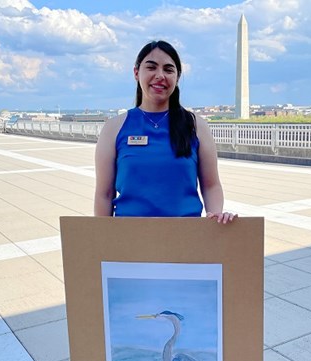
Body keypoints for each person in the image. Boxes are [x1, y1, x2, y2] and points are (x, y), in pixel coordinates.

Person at [94, 40, 235, 224]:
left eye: (168, 70)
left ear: (177, 78)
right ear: (136, 73)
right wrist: (102, 239)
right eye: (151, 67)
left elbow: (211, 185)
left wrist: (216, 215)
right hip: (129, 240)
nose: (160, 75)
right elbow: (104, 194)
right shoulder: (114, 128)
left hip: (185, 238)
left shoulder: (196, 126)